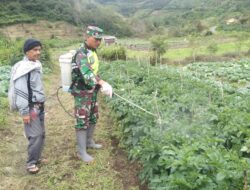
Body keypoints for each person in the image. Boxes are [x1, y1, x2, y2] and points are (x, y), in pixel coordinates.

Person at [70, 26, 112, 163]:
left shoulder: (92, 52)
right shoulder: (81, 53)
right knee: (82, 119)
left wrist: (100, 82)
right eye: (96, 39)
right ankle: (81, 151)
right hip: (82, 92)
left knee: (93, 116)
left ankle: (89, 142)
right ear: (87, 37)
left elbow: (93, 71)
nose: (98, 42)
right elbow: (87, 75)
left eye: (100, 40)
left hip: (92, 91)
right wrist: (102, 82)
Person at [10, 39, 46, 174]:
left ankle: (37, 158)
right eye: (35, 50)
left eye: (39, 49)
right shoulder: (23, 69)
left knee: (42, 134)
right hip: (31, 108)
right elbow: (21, 92)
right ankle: (31, 163)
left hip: (39, 106)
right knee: (35, 134)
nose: (38, 52)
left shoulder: (35, 65)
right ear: (27, 52)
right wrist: (24, 112)